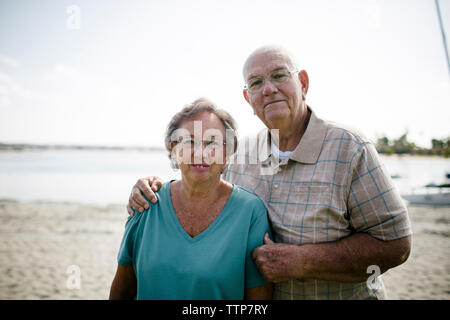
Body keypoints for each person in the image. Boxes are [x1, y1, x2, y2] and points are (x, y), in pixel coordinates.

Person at [127, 46, 412, 300]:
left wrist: (304, 261)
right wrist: (153, 186)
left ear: (303, 83)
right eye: (256, 82)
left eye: (279, 76)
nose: (268, 89)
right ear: (248, 98)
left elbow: (396, 244)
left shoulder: (350, 148)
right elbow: (199, 181)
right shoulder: (242, 155)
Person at [109, 98, 273, 300]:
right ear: (173, 149)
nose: (200, 153)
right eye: (189, 141)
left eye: (212, 142)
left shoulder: (250, 212)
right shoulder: (146, 202)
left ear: (228, 150)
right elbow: (122, 290)